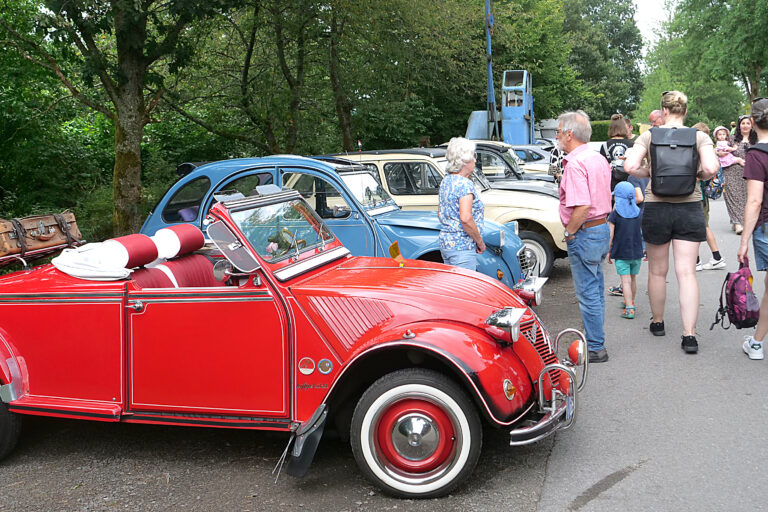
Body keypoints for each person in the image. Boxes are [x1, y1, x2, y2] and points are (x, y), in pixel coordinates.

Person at [624, 91, 719, 354]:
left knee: (657, 271)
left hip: (657, 206)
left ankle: (658, 322)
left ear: (663, 111)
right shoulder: (699, 136)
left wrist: (651, 172)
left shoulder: (649, 136)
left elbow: (631, 166)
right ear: (685, 112)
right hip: (689, 206)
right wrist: (695, 174)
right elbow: (711, 168)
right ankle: (689, 335)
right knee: (686, 272)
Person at [557, 110, 612, 363]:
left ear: (569, 134)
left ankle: (596, 347)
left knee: (588, 291)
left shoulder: (575, 163)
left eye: (558, 132)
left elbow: (581, 206)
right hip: (600, 229)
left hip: (586, 231)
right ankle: (595, 339)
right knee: (596, 287)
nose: (557, 137)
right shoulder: (597, 158)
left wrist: (569, 233)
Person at [737, 98, 768, 360]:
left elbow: (755, 200)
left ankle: (757, 344)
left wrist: (744, 239)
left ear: (754, 122)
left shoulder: (756, 155)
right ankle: (756, 341)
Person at [438, 137, 485, 270]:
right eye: (473, 156)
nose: (475, 160)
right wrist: (480, 242)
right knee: (466, 288)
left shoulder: (446, 181)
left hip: (446, 245)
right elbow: (465, 219)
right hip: (462, 248)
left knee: (453, 287)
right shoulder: (465, 185)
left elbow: (440, 214)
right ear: (465, 161)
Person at [607, 181, 644, 320]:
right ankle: (630, 301)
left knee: (625, 281)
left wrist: (608, 251)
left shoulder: (614, 215)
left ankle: (629, 308)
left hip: (621, 252)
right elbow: (643, 232)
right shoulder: (639, 213)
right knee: (633, 279)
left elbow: (610, 235)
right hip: (637, 252)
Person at [693, 122, 726, 271]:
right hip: (702, 196)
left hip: (698, 195)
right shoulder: (708, 151)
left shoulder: (701, 153)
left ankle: (698, 260)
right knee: (703, 226)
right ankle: (715, 257)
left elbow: (702, 174)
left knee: (699, 227)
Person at [723, 115, 756, 234]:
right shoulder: (732, 139)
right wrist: (736, 160)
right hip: (732, 171)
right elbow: (722, 153)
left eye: (748, 123)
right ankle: (737, 223)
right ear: (739, 125)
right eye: (743, 123)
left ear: (752, 125)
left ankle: (744, 220)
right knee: (734, 197)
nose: (745, 126)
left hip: (752, 172)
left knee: (748, 198)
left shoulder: (756, 139)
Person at [600, 113, 634, 191]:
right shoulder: (631, 144)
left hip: (610, 184)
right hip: (628, 183)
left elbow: (602, 168)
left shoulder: (605, 146)